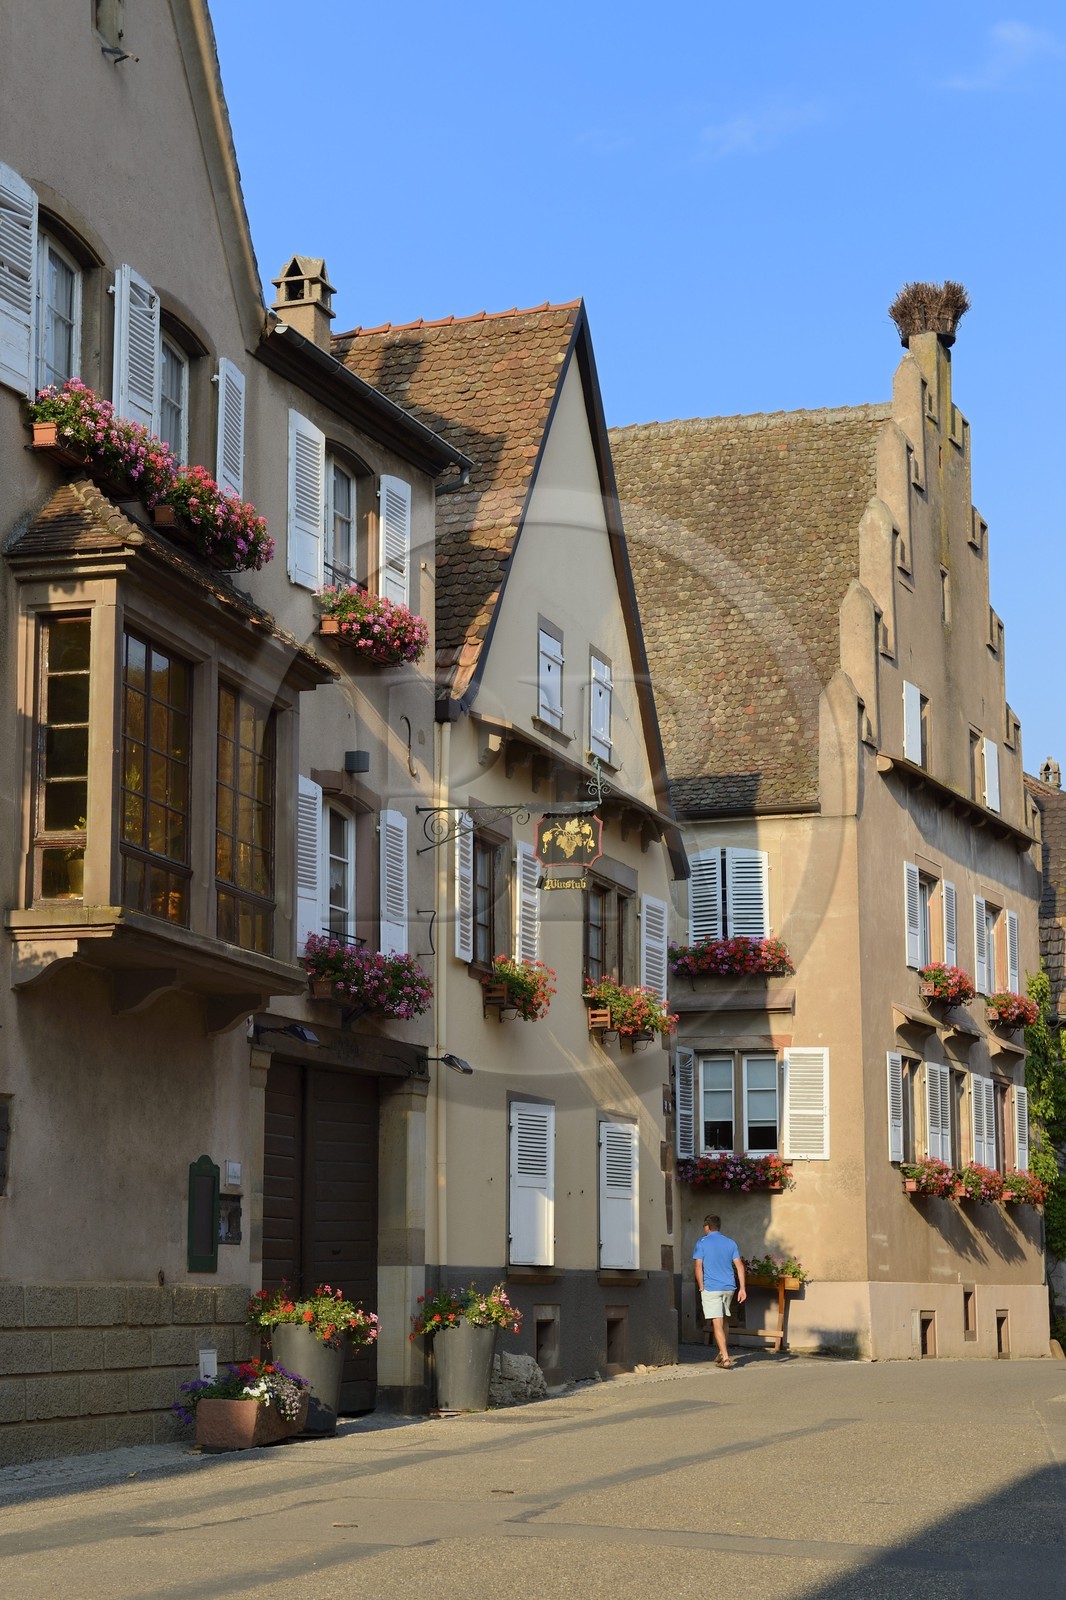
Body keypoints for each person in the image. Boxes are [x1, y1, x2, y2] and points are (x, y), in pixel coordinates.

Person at [693, 1214, 746, 1368]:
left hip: (712, 1288)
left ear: (707, 1227)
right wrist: (742, 1288)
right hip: (729, 1288)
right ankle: (721, 1352)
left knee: (717, 1322)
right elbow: (740, 1266)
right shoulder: (730, 1243)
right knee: (724, 1320)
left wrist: (701, 1286)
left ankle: (726, 1358)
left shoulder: (702, 1243)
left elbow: (698, 1266)